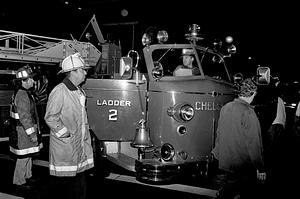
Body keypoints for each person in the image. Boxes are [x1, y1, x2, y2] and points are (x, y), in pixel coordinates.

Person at [44, 52, 94, 199]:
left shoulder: (78, 91)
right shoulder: (60, 91)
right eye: (83, 70)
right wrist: (64, 133)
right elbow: (50, 117)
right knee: (67, 189)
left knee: (79, 187)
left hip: (78, 148)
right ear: (73, 72)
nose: (85, 73)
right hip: (66, 150)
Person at [211, 78, 266, 199]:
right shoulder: (248, 113)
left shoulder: (226, 107)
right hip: (242, 165)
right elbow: (254, 143)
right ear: (252, 93)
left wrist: (218, 155)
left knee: (230, 189)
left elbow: (219, 133)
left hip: (225, 162)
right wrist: (260, 168)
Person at [9, 65, 43, 189]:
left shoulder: (23, 93)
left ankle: (28, 176)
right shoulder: (22, 95)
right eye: (31, 79)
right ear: (25, 80)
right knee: (23, 157)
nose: (33, 81)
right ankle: (19, 181)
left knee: (28, 154)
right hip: (23, 132)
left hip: (22, 131)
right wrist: (32, 134)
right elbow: (25, 118)